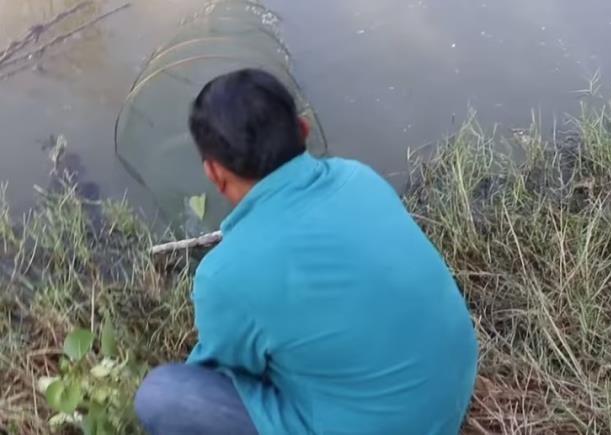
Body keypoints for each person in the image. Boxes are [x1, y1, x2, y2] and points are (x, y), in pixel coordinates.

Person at [134, 68, 479, 435]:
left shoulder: (224, 274)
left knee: (164, 395)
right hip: (448, 399)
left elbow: (220, 371)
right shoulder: (358, 177)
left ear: (214, 173)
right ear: (303, 129)